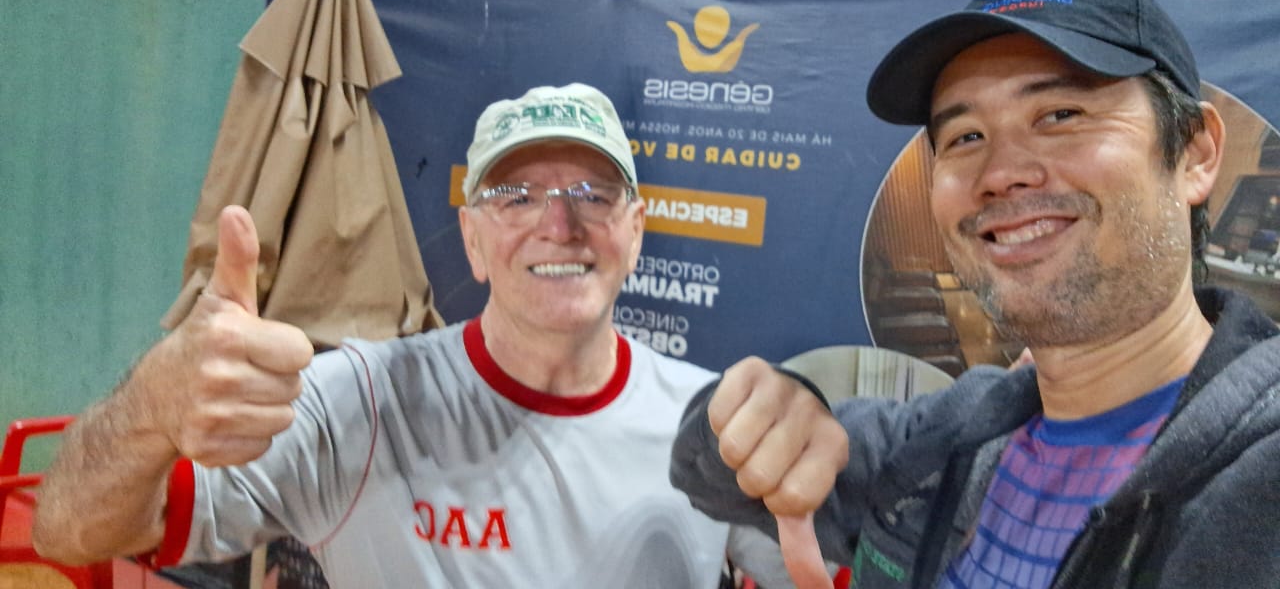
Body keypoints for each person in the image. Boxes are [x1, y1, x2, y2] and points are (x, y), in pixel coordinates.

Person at [670, 0, 1280, 589]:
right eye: (965, 136)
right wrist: (766, 413)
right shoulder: (949, 439)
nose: (1001, 172)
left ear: (1195, 152)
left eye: (1061, 115)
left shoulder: (1257, 478)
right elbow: (703, 471)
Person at [33, 83, 791, 587]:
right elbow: (66, 531)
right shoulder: (359, 404)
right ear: (471, 240)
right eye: (516, 197)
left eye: (592, 194)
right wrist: (149, 409)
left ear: (635, 231)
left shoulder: (713, 419)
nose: (559, 224)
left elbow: (816, 568)